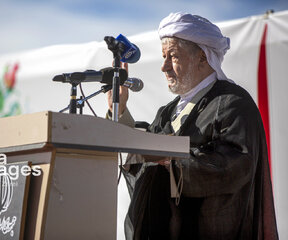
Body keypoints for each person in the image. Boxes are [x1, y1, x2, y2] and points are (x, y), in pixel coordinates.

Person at [107, 12, 278, 240]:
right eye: (163, 57)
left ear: (202, 57)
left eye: (173, 57)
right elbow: (143, 158)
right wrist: (119, 109)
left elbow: (236, 167)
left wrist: (169, 160)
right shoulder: (168, 111)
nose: (164, 67)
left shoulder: (233, 103)